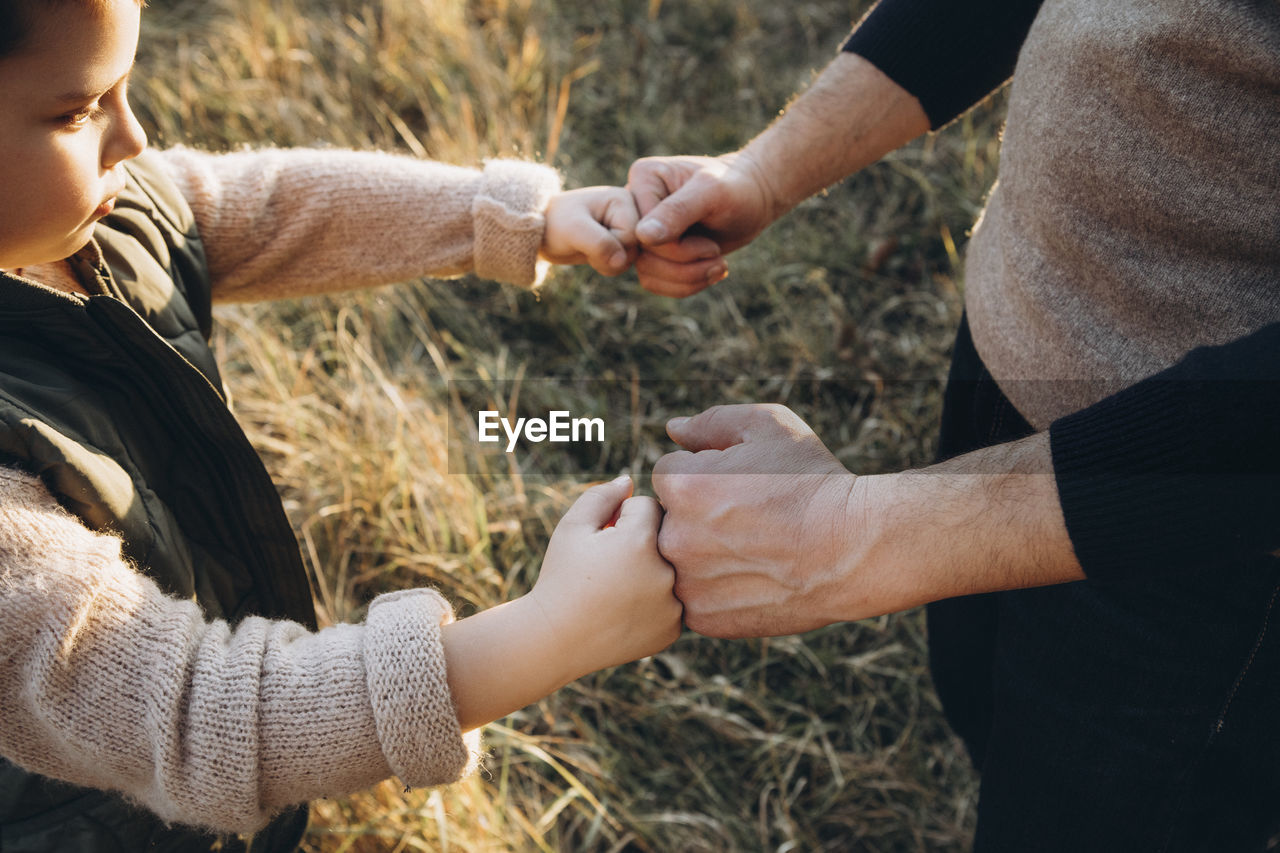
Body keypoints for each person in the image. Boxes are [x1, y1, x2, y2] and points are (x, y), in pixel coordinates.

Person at [0, 0, 682, 850]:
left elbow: (258, 206)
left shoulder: (89, 217)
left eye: (127, 89)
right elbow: (200, 712)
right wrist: (554, 632)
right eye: (78, 111)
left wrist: (507, 217)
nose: (133, 139)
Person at [629, 1, 1280, 850]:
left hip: (1209, 529)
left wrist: (860, 534)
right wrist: (763, 171)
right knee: (985, 709)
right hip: (1014, 341)